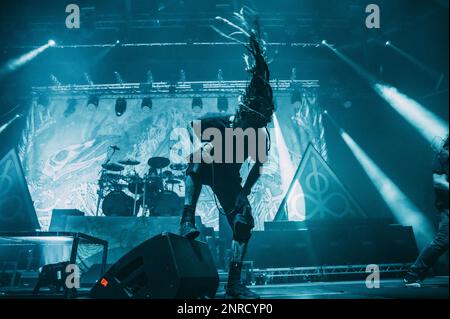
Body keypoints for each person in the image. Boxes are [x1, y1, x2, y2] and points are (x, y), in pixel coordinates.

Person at [179, 9, 275, 299]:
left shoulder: (258, 134)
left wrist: (242, 194)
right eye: (249, 123)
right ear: (242, 112)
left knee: (245, 224)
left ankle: (234, 284)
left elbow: (257, 168)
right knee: (198, 156)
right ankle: (187, 220)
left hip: (229, 180)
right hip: (208, 166)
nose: (252, 128)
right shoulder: (217, 122)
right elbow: (191, 132)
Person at [404, 135, 449, 287]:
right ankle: (413, 275)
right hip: (448, 207)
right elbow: (438, 183)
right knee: (443, 241)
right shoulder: (442, 156)